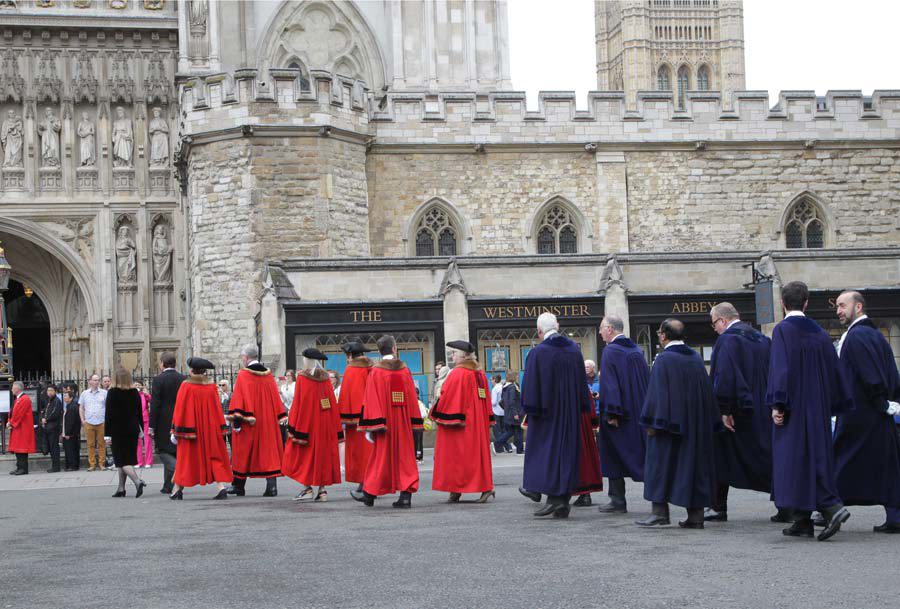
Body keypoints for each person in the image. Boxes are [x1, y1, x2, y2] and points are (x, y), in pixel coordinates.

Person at [768, 281, 852, 541]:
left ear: (783, 303)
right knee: (814, 456)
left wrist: (777, 403)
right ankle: (802, 520)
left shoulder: (783, 330)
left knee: (792, 462)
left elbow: (781, 368)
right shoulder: (818, 332)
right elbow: (835, 371)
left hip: (794, 408)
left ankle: (831, 509)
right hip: (818, 408)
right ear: (806, 303)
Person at [705, 303, 786, 523]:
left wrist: (723, 410)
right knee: (768, 456)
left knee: (720, 455)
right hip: (764, 407)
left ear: (722, 320)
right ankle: (787, 505)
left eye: (714, 324)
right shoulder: (762, 339)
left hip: (738, 411)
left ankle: (717, 507)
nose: (715, 329)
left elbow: (724, 377)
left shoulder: (727, 340)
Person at [637, 318, 719, 529]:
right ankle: (696, 516)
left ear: (664, 335)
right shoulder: (695, 358)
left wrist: (652, 423)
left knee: (660, 464)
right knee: (692, 468)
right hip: (695, 424)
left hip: (669, 424)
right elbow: (707, 391)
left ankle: (659, 512)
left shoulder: (664, 360)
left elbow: (657, 394)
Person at [832, 290, 900, 534]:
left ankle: (830, 508)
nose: (838, 310)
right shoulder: (874, 335)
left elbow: (871, 376)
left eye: (842, 305)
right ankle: (895, 516)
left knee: (841, 460)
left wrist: (881, 402)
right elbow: (891, 373)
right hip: (875, 412)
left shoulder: (858, 336)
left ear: (858, 307)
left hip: (860, 412)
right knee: (887, 465)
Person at [518, 313, 596, 519]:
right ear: (558, 326)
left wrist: (529, 409)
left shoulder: (538, 353)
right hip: (570, 413)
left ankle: (554, 498)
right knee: (566, 454)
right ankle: (561, 501)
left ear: (539, 331)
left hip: (546, 413)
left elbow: (531, 385)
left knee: (546, 454)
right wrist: (581, 407)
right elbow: (582, 383)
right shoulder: (573, 350)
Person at [350, 335, 423, 508]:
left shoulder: (377, 371)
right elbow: (412, 397)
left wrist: (372, 425)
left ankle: (369, 494)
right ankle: (405, 496)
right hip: (403, 423)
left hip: (385, 423)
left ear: (379, 351)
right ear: (395, 348)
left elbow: (371, 399)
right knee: (405, 458)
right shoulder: (405, 370)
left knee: (380, 458)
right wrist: (414, 422)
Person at [596, 314, 650, 514]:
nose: (600, 333)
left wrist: (611, 412)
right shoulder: (635, 350)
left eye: (602, 328)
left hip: (618, 415)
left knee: (613, 456)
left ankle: (617, 500)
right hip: (638, 411)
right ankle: (658, 500)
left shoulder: (611, 351)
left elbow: (610, 385)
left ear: (610, 329)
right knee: (641, 454)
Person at [430, 340, 495, 503]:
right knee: (476, 456)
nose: (452, 356)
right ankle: (482, 487)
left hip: (463, 423)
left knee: (456, 457)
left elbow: (449, 396)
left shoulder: (459, 373)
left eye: (454, 353)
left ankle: (456, 489)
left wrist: (436, 408)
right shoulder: (479, 373)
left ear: (464, 355)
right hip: (477, 423)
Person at [226, 344, 287, 497]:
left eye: (242, 357)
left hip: (250, 421)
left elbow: (239, 399)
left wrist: (237, 422)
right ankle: (272, 487)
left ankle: (238, 486)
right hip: (268, 421)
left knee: (242, 452)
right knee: (268, 452)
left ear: (246, 358)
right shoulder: (268, 375)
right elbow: (276, 399)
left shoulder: (243, 375)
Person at [283, 348, 343, 502]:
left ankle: (307, 488)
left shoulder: (302, 378)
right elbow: (330, 403)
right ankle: (322, 491)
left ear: (307, 360)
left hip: (307, 424)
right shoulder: (325, 378)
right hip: (323, 424)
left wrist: (293, 424)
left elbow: (299, 403)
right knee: (322, 456)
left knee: (304, 456)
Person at [169, 358, 231, 500]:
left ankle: (177, 489)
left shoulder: (186, 386)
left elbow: (180, 409)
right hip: (209, 430)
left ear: (192, 370)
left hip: (191, 429)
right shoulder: (211, 386)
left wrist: (175, 430)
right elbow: (217, 409)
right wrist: (220, 427)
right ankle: (220, 487)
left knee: (186, 458)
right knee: (214, 458)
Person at [337, 341, 374, 491]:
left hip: (356, 419)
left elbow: (347, 394)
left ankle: (364, 482)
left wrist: (343, 416)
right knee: (371, 450)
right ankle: (370, 480)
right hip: (372, 416)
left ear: (351, 355)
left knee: (360, 453)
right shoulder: (372, 368)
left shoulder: (351, 370)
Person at [104, 368, 146, 498]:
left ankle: (137, 481)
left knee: (121, 460)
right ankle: (121, 488)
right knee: (125, 459)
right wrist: (141, 430)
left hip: (118, 429)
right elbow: (139, 412)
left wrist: (107, 434)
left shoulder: (112, 392)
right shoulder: (134, 392)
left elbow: (109, 415)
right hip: (132, 429)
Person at [150, 352, 185, 494]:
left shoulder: (158, 379)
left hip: (163, 421)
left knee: (163, 451)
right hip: (180, 419)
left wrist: (152, 426)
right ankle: (168, 485)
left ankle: (179, 471)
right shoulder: (182, 378)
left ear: (163, 363)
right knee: (175, 451)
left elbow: (155, 404)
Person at [574, 360, 601, 507]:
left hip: (573, 425)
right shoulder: (582, 384)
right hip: (583, 424)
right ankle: (584, 495)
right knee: (583, 460)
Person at [79, 374, 107, 472]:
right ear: (89, 381)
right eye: (94, 380)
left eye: (98, 380)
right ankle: (92, 464)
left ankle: (102, 463)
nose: (97, 382)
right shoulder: (84, 393)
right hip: (89, 422)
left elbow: (108, 407)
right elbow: (81, 407)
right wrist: (83, 420)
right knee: (90, 444)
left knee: (101, 444)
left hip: (101, 422)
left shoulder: (104, 393)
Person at [7, 381, 36, 475]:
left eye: (12, 388)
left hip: (22, 428)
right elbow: (12, 412)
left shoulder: (24, 399)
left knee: (22, 449)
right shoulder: (18, 399)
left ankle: (23, 469)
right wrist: (9, 421)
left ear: (17, 389)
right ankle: (19, 467)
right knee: (18, 449)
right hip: (18, 427)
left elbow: (19, 414)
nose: (11, 389)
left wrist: (11, 423)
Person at [498, 372, 524, 453]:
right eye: (516, 376)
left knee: (511, 432)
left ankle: (498, 443)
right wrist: (515, 413)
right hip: (515, 413)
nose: (517, 377)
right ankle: (519, 449)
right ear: (513, 377)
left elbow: (502, 401)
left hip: (509, 413)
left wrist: (507, 410)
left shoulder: (505, 387)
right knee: (518, 431)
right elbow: (512, 401)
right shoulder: (513, 387)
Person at [41, 385, 63, 473]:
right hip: (48, 427)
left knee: (54, 448)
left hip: (53, 427)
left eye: (51, 390)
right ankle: (54, 466)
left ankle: (56, 467)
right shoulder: (48, 401)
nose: (49, 392)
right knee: (51, 447)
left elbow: (55, 413)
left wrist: (46, 419)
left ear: (55, 391)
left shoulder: (57, 401)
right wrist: (42, 418)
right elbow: (44, 411)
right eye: (48, 390)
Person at [135, 381, 153, 468]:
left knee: (147, 441)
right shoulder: (131, 395)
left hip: (145, 419)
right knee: (137, 442)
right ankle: (139, 462)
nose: (137, 386)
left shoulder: (144, 395)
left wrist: (147, 394)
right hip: (135, 421)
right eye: (135, 385)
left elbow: (151, 400)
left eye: (138, 385)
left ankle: (148, 461)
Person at [61, 391, 81, 471]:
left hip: (70, 434)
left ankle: (72, 465)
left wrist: (67, 433)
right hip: (71, 433)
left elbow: (71, 422)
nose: (64, 398)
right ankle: (73, 465)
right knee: (71, 449)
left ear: (71, 398)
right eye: (64, 396)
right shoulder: (70, 406)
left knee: (71, 450)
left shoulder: (72, 407)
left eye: (66, 396)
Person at [490, 374, 510, 454]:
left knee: (497, 431)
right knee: (504, 430)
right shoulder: (502, 387)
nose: (491, 381)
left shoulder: (494, 389)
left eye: (491, 379)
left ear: (495, 380)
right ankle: (508, 447)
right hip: (504, 411)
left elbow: (494, 402)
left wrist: (489, 402)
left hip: (496, 411)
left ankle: (499, 448)